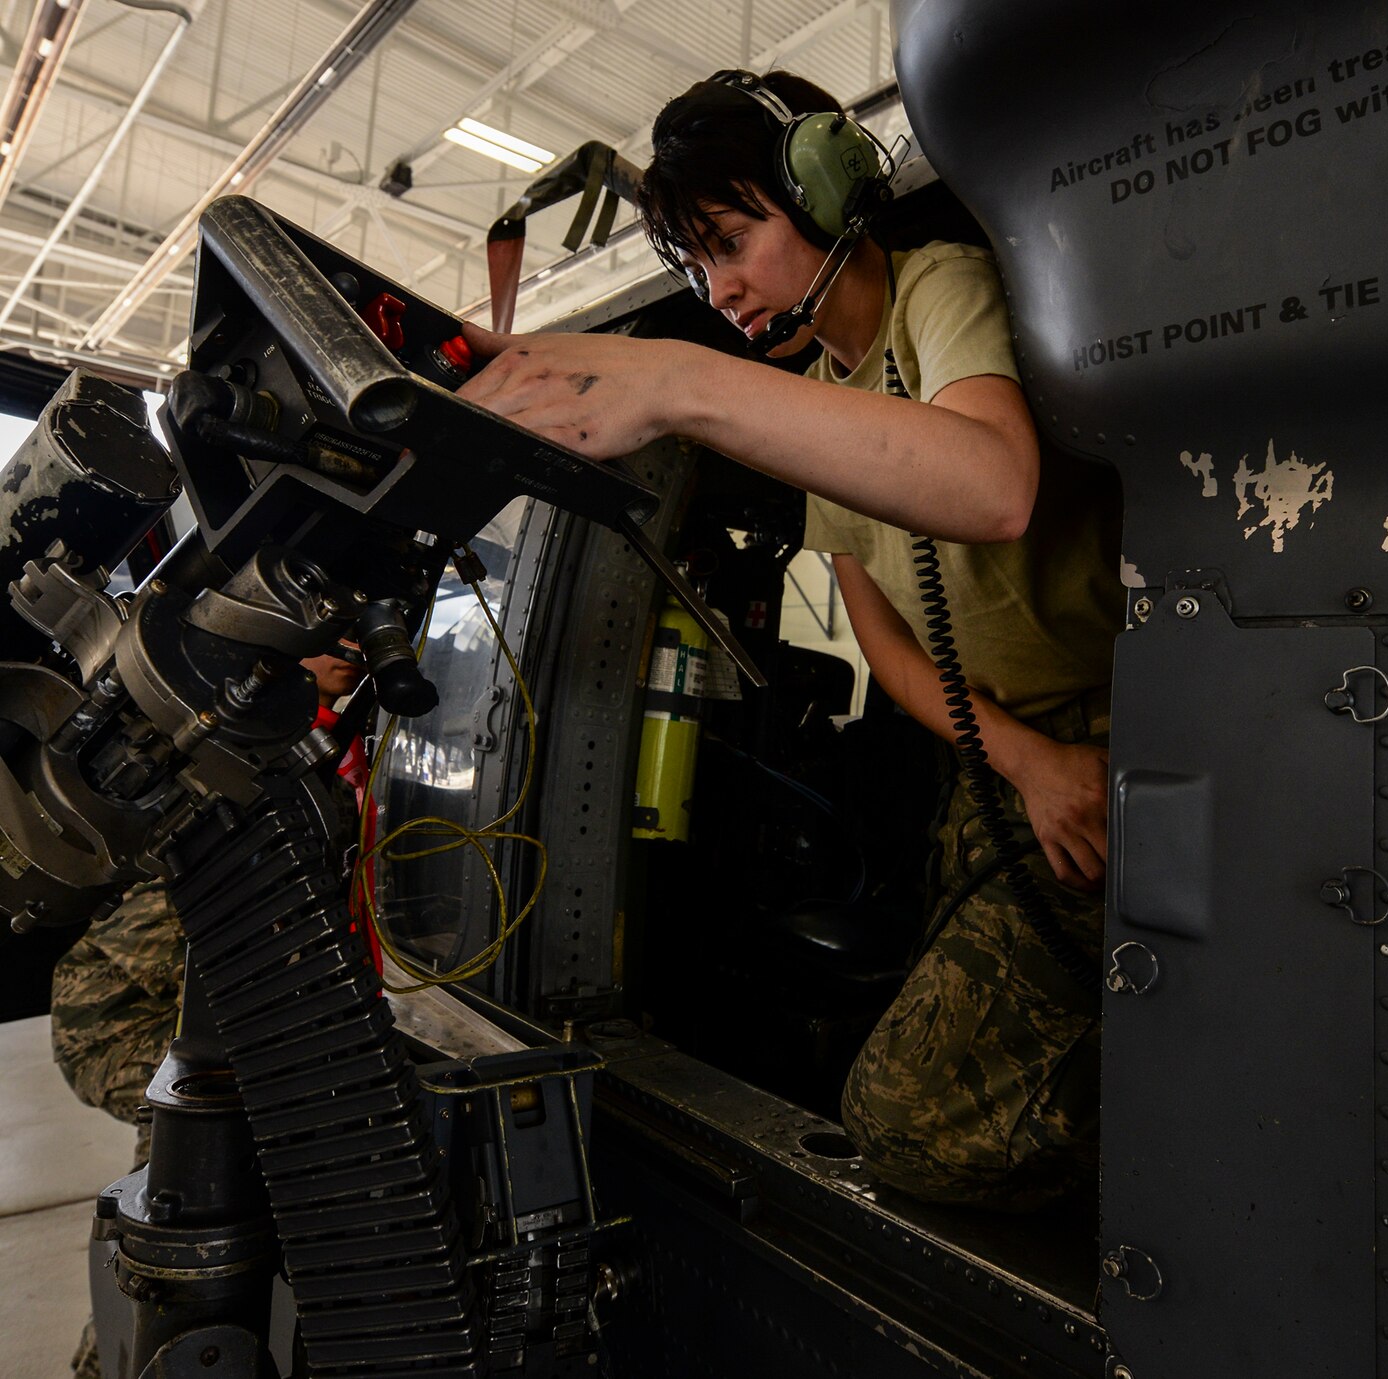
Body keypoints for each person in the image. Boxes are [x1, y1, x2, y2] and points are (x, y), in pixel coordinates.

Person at [458, 70, 1123, 1209]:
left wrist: (680, 383)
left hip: (1116, 745)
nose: (718, 291)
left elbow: (995, 484)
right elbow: (885, 639)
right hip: (1013, 768)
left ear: (822, 188)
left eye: (730, 240)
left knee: (914, 1125)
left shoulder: (937, 286)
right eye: (692, 267)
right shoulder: (825, 398)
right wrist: (1020, 761)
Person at [51, 648, 367, 1379]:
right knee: (193, 1153)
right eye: (331, 642)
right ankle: (119, 1354)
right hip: (112, 1019)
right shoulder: (241, 794)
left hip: (170, 1009)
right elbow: (170, 955)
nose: (347, 655)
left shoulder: (315, 757)